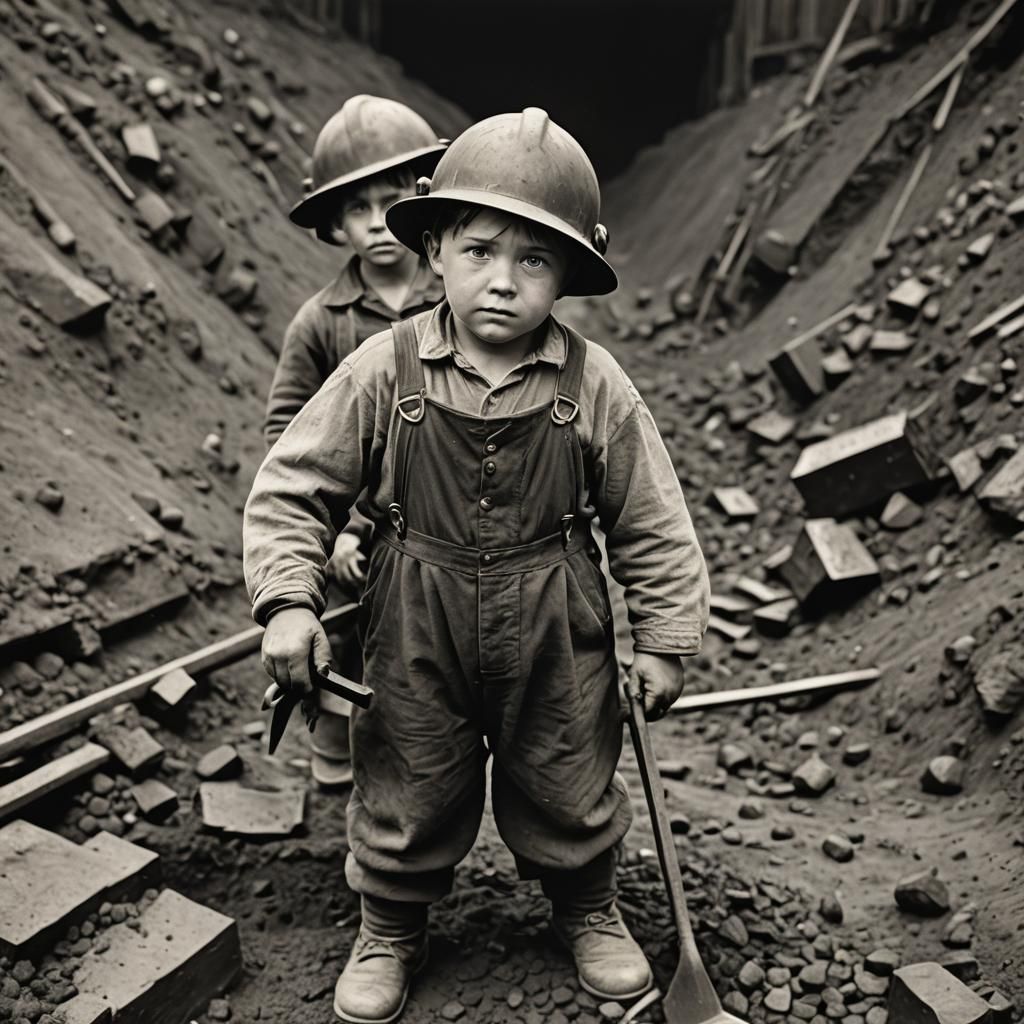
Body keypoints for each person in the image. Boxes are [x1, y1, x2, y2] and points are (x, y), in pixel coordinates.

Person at [244, 108, 710, 1024]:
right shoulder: (384, 366)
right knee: (408, 771)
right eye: (480, 251)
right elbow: (292, 484)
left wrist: (663, 639)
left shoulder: (595, 383)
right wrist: (290, 601)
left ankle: (588, 908)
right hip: (415, 607)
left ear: (570, 272)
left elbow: (653, 519)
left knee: (568, 767)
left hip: (555, 617)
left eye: (534, 260)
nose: (503, 282)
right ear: (438, 251)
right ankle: (390, 925)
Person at [266, 94, 447, 787]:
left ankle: (425, 747)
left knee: (430, 642)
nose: (376, 225)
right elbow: (289, 435)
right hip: (360, 525)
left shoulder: (459, 298)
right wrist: (336, 532)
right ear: (335, 223)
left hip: (444, 514)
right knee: (341, 630)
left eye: (390, 201)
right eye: (356, 209)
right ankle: (336, 739)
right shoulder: (321, 323)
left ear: (420, 198)